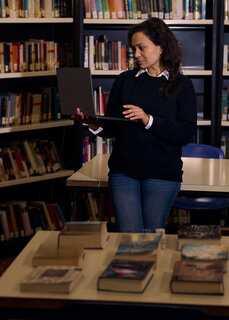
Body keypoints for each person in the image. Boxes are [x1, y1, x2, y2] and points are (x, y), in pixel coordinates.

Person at [74, 17, 197, 232]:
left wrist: (148, 120)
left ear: (161, 47)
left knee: (150, 238)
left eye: (142, 48)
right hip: (124, 171)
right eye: (134, 49)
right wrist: (93, 123)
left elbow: (185, 133)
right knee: (128, 237)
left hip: (162, 172)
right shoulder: (125, 80)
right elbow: (113, 127)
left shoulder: (182, 85)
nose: (136, 54)